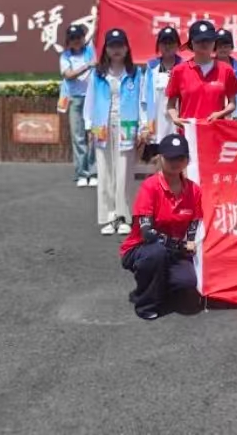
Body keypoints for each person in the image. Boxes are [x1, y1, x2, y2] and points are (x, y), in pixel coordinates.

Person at [120, 134, 201, 321]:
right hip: (142, 248)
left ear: (187, 160)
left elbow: (194, 224)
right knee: (156, 253)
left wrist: (190, 242)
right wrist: (181, 245)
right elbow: (147, 233)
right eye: (170, 158)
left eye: (180, 158)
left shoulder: (194, 190)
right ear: (160, 158)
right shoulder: (150, 187)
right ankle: (145, 303)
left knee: (188, 281)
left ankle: (159, 287)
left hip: (174, 250)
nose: (175, 162)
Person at [83, 28, 144, 236]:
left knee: (124, 171)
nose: (116, 50)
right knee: (105, 170)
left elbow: (142, 101)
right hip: (102, 124)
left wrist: (143, 126)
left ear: (127, 48)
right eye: (112, 46)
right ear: (106, 49)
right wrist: (88, 125)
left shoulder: (135, 73)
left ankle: (124, 216)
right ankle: (109, 216)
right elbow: (90, 101)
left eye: (120, 45)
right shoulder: (98, 73)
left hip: (127, 124)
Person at [166, 20, 237, 127]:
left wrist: (220, 114)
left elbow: (232, 103)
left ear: (214, 42)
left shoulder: (226, 70)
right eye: (199, 41)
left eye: (208, 40)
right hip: (189, 131)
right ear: (191, 43)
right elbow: (171, 105)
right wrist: (176, 119)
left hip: (216, 130)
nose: (204, 44)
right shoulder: (179, 71)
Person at [58, 24, 96, 187]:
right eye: (72, 38)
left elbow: (97, 29)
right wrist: (88, 65)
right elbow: (69, 75)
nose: (76, 41)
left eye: (79, 37)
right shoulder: (65, 56)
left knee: (94, 136)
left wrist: (98, 15)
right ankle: (82, 173)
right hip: (75, 99)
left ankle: (93, 172)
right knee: (78, 137)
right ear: (68, 40)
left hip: (93, 98)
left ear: (83, 37)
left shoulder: (90, 50)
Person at [139, 26, 183, 162]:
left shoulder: (185, 67)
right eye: (164, 43)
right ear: (158, 45)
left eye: (171, 42)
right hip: (155, 126)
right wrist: (144, 126)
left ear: (178, 45)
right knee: (155, 165)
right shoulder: (152, 68)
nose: (167, 46)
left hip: (176, 125)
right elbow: (144, 100)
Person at [215, 28, 237, 119]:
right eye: (219, 46)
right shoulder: (208, 68)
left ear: (231, 47)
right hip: (216, 117)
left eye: (226, 46)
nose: (223, 49)